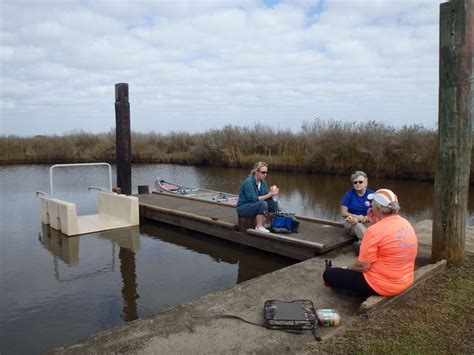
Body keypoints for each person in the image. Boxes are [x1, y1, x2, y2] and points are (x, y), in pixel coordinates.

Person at [323, 189, 418, 298]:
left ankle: (355, 293)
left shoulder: (374, 231)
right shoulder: (405, 222)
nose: (370, 205)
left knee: (330, 274)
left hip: (384, 286)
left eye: (372, 202)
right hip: (405, 279)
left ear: (377, 208)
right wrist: (373, 220)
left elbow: (362, 266)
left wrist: (347, 268)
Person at [236, 162, 280, 233]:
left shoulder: (263, 183)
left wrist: (273, 193)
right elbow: (253, 199)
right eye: (263, 172)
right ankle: (259, 226)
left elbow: (266, 196)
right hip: (243, 207)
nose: (265, 174)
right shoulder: (248, 182)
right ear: (256, 172)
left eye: (266, 172)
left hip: (254, 206)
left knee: (273, 203)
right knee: (262, 204)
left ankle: (268, 222)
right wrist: (270, 194)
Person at [340, 171, 374, 242]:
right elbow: (343, 213)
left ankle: (361, 243)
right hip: (352, 222)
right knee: (358, 226)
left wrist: (361, 219)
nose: (358, 184)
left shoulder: (372, 195)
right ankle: (369, 242)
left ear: (366, 182)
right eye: (355, 182)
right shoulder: (349, 195)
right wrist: (356, 217)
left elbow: (376, 214)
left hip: (367, 221)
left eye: (360, 182)